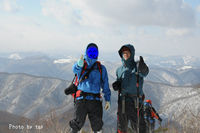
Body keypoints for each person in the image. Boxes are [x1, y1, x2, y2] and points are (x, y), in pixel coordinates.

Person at [69, 43, 111, 133]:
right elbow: (74, 70)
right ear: (86, 53)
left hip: (95, 100)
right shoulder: (82, 65)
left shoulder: (101, 68)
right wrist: (78, 65)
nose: (92, 54)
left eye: (94, 52)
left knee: (97, 125)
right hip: (81, 100)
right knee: (77, 124)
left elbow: (105, 85)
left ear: (97, 54)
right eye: (90, 51)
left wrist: (108, 99)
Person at [112, 44, 149, 133]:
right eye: (123, 53)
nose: (125, 54)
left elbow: (144, 73)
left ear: (131, 54)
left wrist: (143, 67)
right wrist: (117, 84)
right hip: (123, 101)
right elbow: (120, 82)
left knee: (140, 128)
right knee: (121, 127)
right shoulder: (119, 70)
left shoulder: (137, 66)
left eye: (127, 52)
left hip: (135, 101)